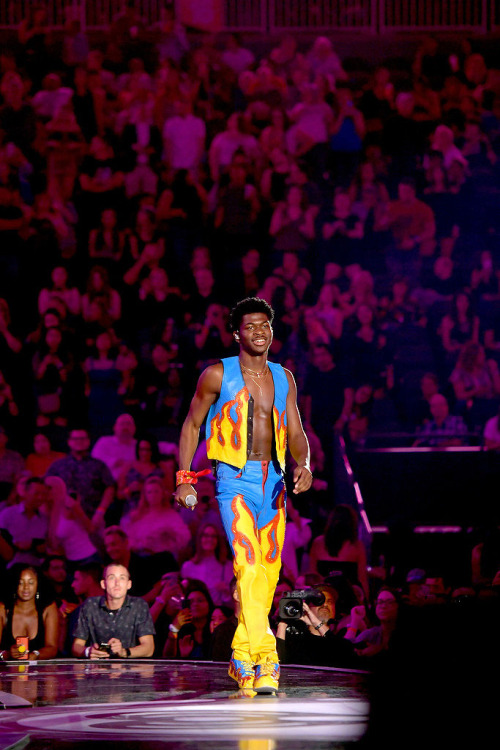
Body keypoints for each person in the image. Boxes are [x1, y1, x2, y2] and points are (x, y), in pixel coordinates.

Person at [174, 296, 313, 693]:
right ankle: (266, 659)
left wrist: (305, 464)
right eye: (251, 326)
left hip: (275, 483)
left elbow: (298, 433)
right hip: (234, 479)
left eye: (265, 325)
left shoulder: (284, 377)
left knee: (267, 574)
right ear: (237, 333)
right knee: (248, 565)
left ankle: (240, 655)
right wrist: (184, 477)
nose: (259, 332)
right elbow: (191, 425)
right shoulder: (217, 374)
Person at [71, 563, 155, 659]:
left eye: (122, 578)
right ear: (103, 584)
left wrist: (124, 652)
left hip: (129, 670)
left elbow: (149, 648)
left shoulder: (139, 606)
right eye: (112, 578)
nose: (117, 583)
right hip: (97, 669)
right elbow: (76, 646)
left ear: (129, 584)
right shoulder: (90, 605)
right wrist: (88, 651)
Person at [0, 565, 59, 661]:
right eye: (20, 583)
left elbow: (52, 648)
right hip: (7, 672)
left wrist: (36, 655)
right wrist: (7, 654)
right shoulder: (3, 609)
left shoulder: (48, 608)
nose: (26, 587)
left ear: (37, 584)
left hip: (40, 672)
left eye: (31, 582)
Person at [180, 521, 233, 607]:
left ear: (218, 540)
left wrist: (226, 592)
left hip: (219, 614)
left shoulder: (227, 566)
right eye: (206, 535)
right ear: (199, 538)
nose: (209, 539)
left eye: (213, 536)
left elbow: (234, 604)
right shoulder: (188, 567)